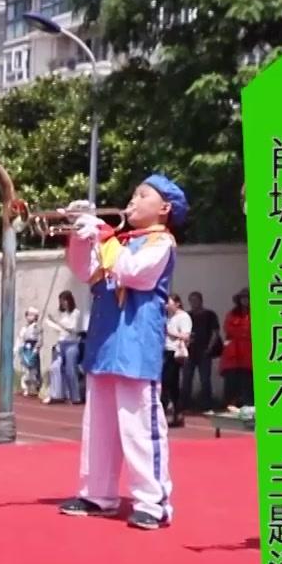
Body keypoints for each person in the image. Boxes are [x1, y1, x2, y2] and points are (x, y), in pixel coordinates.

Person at [58, 175, 184, 530]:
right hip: (104, 343)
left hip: (135, 345)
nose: (132, 200)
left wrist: (102, 234)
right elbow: (85, 271)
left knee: (140, 425)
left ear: (164, 208)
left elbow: (133, 273)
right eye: (133, 193)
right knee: (99, 426)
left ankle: (152, 501)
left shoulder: (161, 242)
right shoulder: (120, 240)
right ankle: (98, 495)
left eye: (143, 195)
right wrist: (80, 236)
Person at [181, 291, 222, 412]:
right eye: (191, 300)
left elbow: (215, 332)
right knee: (186, 378)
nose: (194, 303)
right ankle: (185, 404)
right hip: (190, 351)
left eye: (196, 300)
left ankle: (206, 404)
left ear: (201, 300)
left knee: (205, 379)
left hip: (204, 351)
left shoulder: (209, 314)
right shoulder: (187, 316)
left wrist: (209, 347)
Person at [44, 291, 84, 405]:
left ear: (69, 300)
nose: (62, 304)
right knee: (55, 367)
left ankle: (75, 396)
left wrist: (56, 322)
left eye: (64, 301)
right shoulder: (61, 313)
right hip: (61, 342)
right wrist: (53, 324)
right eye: (61, 301)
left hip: (72, 343)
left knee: (70, 370)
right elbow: (60, 329)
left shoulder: (76, 313)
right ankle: (58, 394)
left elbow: (72, 328)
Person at [220, 291, 253, 410]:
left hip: (249, 352)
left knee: (247, 381)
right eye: (243, 298)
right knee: (231, 380)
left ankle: (248, 405)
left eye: (247, 298)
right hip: (233, 353)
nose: (245, 300)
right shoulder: (232, 314)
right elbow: (228, 328)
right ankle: (230, 404)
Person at [163, 293, 191, 428]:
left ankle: (174, 412)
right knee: (169, 384)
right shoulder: (168, 317)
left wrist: (169, 333)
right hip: (165, 350)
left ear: (177, 303)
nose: (166, 305)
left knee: (169, 382)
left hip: (174, 352)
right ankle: (176, 413)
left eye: (169, 302)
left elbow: (185, 336)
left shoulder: (183, 317)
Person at [18, 306, 43, 398]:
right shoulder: (24, 328)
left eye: (32, 315)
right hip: (25, 349)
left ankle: (35, 387)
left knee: (34, 370)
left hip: (33, 349)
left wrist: (36, 350)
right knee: (25, 370)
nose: (29, 317)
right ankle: (25, 388)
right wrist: (20, 349)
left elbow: (39, 340)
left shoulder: (37, 327)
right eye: (28, 315)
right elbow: (20, 339)